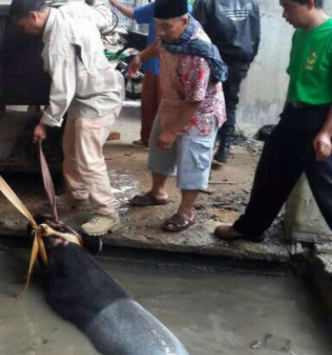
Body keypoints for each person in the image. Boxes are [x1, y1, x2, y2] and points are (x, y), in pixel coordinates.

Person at [215, 0, 332, 242]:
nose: (284, 15)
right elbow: (297, 78)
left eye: (288, 7)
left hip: (320, 120)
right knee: (271, 171)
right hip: (294, 115)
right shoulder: (301, 35)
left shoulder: (329, 36)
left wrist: (326, 133)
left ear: (309, 3)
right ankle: (251, 228)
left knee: (327, 188)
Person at [10, 0, 126, 237]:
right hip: (86, 96)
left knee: (87, 158)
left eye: (23, 26)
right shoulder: (72, 8)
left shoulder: (57, 42)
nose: (24, 32)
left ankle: (107, 212)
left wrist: (44, 123)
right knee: (70, 149)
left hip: (96, 99)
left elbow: (63, 91)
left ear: (33, 16)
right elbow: (104, 16)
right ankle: (78, 196)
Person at [128, 0, 227, 233]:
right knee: (158, 146)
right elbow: (159, 44)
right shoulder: (172, 34)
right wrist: (141, 55)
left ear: (184, 20)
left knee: (192, 161)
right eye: (157, 26)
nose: (161, 32)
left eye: (166, 26)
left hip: (199, 112)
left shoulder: (197, 53)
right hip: (173, 102)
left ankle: (186, 211)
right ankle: (157, 192)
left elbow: (195, 100)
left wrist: (172, 130)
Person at [194, 0, 261, 164]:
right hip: (239, 60)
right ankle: (224, 147)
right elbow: (256, 34)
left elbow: (197, 33)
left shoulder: (206, 2)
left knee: (205, 105)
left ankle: (204, 152)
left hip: (214, 59)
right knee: (230, 103)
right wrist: (247, 61)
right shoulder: (252, 3)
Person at [108, 0, 162, 147]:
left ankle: (162, 142)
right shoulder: (156, 6)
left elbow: (162, 42)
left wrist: (140, 56)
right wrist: (116, 4)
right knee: (148, 104)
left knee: (164, 107)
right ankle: (147, 139)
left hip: (167, 67)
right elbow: (135, 14)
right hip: (152, 64)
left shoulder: (180, 9)